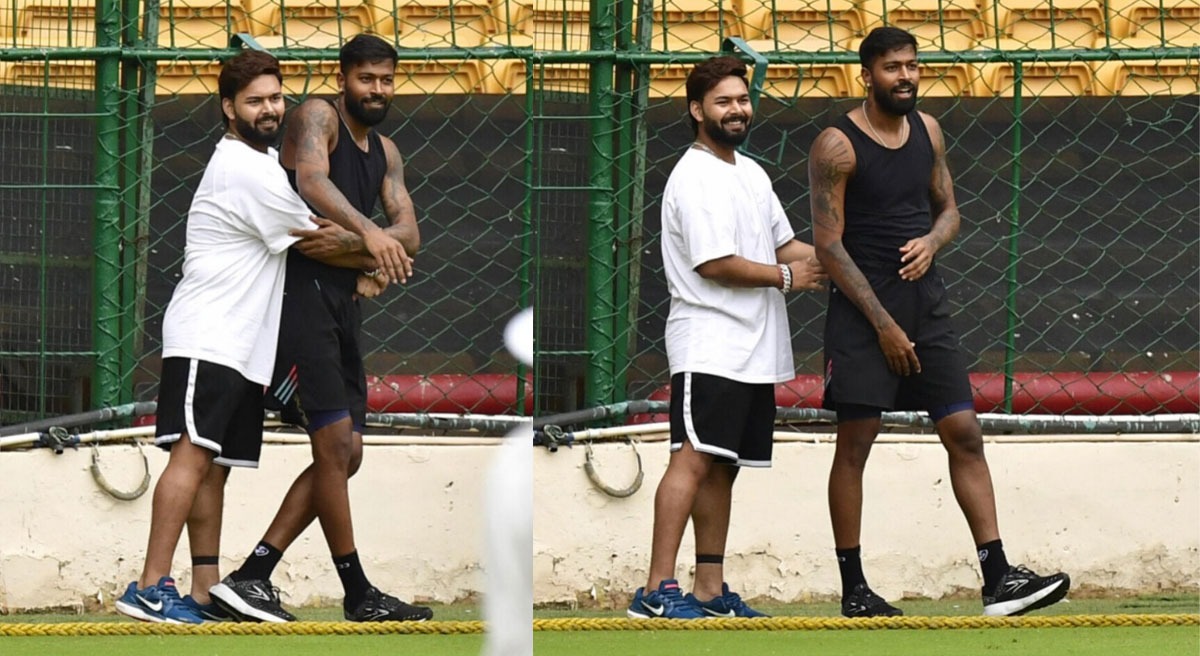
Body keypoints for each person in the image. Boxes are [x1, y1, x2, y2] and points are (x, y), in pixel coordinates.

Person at [808, 26, 1071, 618]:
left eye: (912, 65)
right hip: (864, 317)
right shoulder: (836, 145)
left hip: (926, 308)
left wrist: (931, 241)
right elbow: (828, 245)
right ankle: (854, 589)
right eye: (892, 67)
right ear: (866, 75)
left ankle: (998, 578)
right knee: (855, 445)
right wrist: (882, 325)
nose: (905, 76)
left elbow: (949, 210)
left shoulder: (928, 130)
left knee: (965, 433)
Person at [209, 34, 432, 623]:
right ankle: (357, 592)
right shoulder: (316, 116)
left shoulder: (387, 152)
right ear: (343, 79)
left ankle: (253, 574)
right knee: (334, 445)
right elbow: (312, 188)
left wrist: (364, 249)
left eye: (386, 80)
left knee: (348, 452)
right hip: (299, 301)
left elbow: (410, 235)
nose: (377, 90)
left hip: (344, 304)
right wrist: (374, 238)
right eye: (366, 79)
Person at [114, 50, 323, 624]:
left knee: (216, 465)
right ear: (229, 108)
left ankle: (205, 590)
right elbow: (317, 236)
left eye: (275, 97)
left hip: (242, 346)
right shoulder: (241, 168)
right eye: (255, 101)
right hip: (208, 335)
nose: (269, 109)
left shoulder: (262, 164)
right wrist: (379, 250)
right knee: (192, 457)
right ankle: (149, 585)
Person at [626, 55, 827, 620]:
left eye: (742, 99)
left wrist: (842, 260)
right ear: (697, 110)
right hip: (709, 342)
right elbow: (714, 263)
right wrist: (788, 277)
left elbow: (783, 245)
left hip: (755, 348)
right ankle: (656, 591)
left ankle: (709, 590)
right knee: (691, 460)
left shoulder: (751, 172)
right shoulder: (693, 176)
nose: (737, 109)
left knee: (722, 465)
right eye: (723, 102)